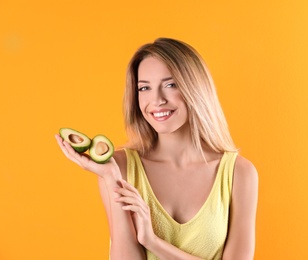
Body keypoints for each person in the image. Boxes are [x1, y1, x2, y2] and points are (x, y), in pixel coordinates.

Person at [55, 38, 258, 260]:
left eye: (170, 85)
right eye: (144, 88)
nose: (156, 100)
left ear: (195, 88)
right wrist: (112, 179)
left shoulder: (239, 173)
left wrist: (152, 242)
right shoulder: (118, 167)